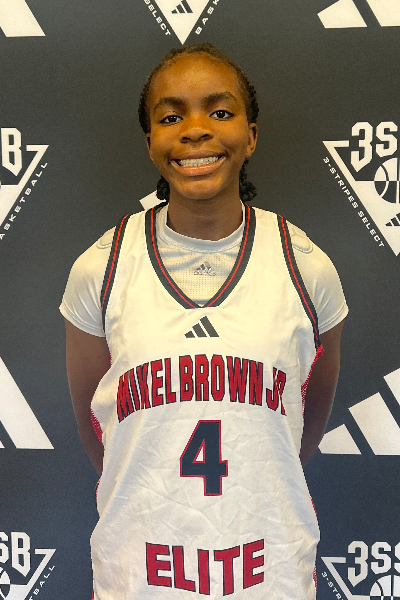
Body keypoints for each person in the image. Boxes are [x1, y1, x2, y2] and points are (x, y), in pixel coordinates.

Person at [60, 43, 347, 600]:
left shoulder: (306, 266)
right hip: (140, 574)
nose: (195, 130)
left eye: (220, 111)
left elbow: (304, 422)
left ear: (251, 135)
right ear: (150, 142)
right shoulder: (102, 268)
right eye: (171, 117)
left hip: (268, 572)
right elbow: (96, 426)